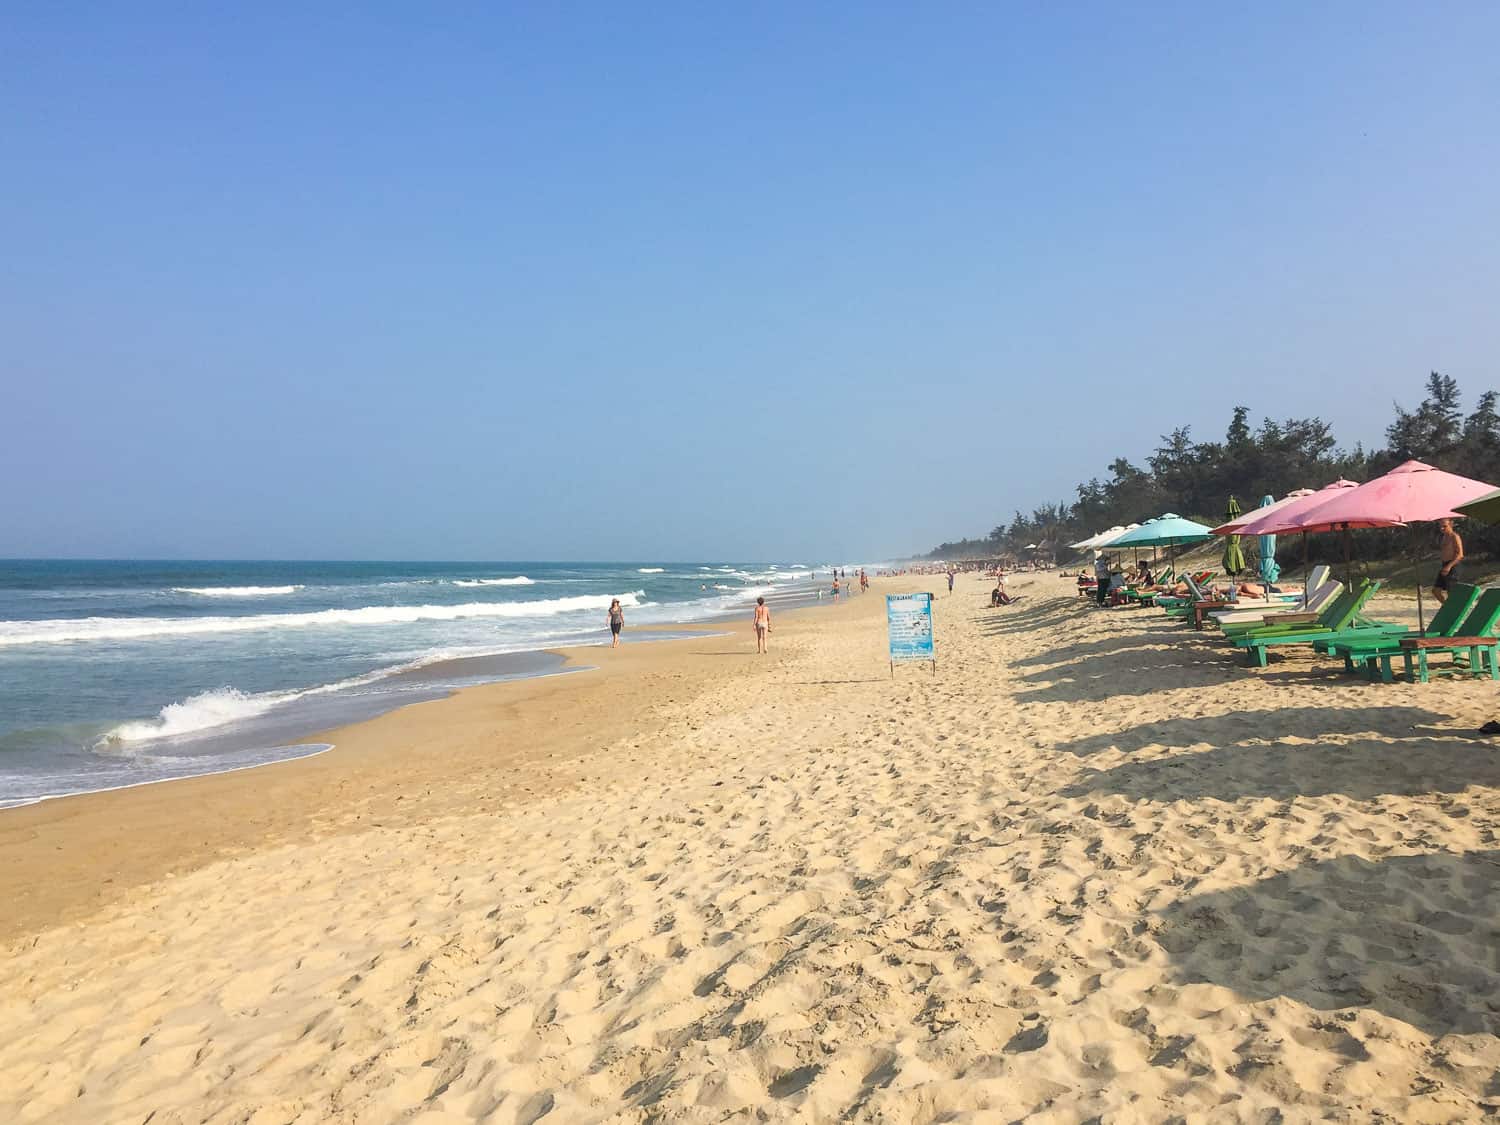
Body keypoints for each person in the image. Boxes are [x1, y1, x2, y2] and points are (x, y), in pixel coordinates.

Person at [1435, 518, 1464, 603]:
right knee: (1436, 590)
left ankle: (1454, 609)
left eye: (1444, 526)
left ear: (1451, 524)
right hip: (1444, 565)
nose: (1442, 529)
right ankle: (1446, 607)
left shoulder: (1454, 536)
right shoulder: (1443, 537)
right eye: (1440, 526)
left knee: (1451, 592)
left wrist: (1449, 566)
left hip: (1453, 565)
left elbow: (1460, 555)